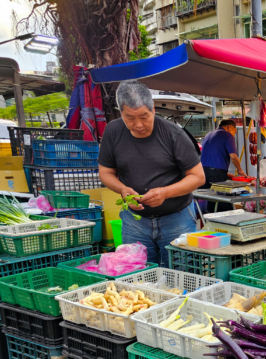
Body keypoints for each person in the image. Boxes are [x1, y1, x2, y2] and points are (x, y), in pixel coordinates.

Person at [98, 80, 205, 267]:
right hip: (135, 222)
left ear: (153, 109)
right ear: (120, 112)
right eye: (130, 117)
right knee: (136, 277)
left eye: (144, 116)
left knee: (182, 276)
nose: (138, 124)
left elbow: (198, 177)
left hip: (176, 218)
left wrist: (165, 193)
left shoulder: (173, 134)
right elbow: (106, 172)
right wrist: (122, 189)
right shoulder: (113, 132)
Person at [200, 119, 247, 188]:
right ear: (229, 127)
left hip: (202, 172)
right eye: (235, 132)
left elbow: (211, 159)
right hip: (216, 175)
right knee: (219, 197)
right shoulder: (228, 135)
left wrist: (225, 173)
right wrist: (240, 170)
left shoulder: (208, 134)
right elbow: (233, 157)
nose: (234, 135)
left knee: (207, 196)